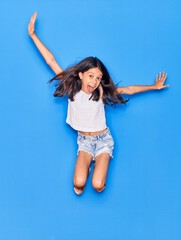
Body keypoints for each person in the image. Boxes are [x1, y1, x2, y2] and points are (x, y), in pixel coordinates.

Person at [28, 12, 168, 195]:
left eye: (98, 78)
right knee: (79, 184)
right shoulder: (71, 88)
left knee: (98, 186)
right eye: (91, 76)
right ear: (81, 75)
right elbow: (51, 61)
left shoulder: (100, 92)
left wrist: (153, 86)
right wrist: (33, 35)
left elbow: (128, 90)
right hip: (84, 141)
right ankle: (86, 165)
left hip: (103, 140)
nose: (94, 82)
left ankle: (99, 164)